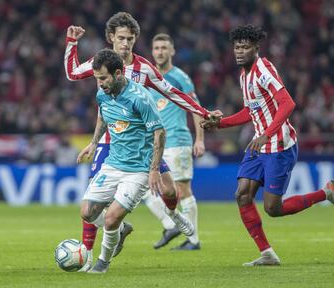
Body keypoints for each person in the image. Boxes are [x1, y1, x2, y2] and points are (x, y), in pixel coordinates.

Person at [64, 12, 222, 271]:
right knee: (92, 201)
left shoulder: (144, 68)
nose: (126, 44)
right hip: (110, 140)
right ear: (111, 38)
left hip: (144, 141)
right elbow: (72, 73)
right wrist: (71, 43)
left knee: (171, 192)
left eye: (131, 39)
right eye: (121, 38)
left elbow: (171, 92)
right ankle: (88, 256)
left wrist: (203, 113)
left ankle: (171, 215)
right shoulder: (99, 62)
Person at [201, 24, 334, 266]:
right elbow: (251, 111)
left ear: (256, 49)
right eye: (237, 47)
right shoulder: (244, 75)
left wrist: (267, 135)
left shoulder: (263, 70)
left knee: (273, 208)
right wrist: (221, 124)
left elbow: (288, 103)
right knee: (242, 195)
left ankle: (327, 192)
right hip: (259, 145)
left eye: (245, 47)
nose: (239, 51)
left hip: (279, 146)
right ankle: (267, 254)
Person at [78, 48, 194, 273]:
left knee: (111, 218)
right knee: (87, 212)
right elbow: (103, 116)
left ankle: (102, 262)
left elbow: (159, 133)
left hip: (138, 169)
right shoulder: (102, 94)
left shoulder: (140, 98)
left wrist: (153, 170)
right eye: (97, 79)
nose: (99, 83)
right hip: (113, 163)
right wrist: (93, 143)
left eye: (103, 78)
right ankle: (121, 230)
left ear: (119, 73)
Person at [141, 33, 204, 250]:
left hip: (178, 140)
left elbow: (195, 109)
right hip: (156, 144)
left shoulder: (181, 78)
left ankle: (193, 240)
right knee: (147, 190)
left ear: (172, 51)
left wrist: (200, 139)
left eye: (164, 48)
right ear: (152, 51)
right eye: (156, 48)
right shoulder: (148, 78)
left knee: (183, 190)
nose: (160, 52)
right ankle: (171, 225)